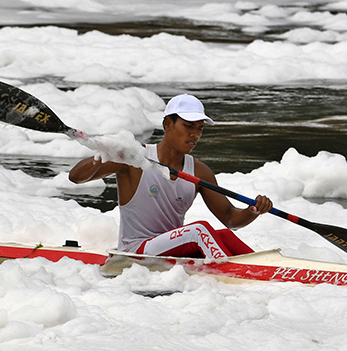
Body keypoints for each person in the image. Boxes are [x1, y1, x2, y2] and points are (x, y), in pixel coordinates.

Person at [68, 93, 273, 259]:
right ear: (167, 124)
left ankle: (267, 267)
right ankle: (234, 272)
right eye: (188, 126)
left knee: (225, 235)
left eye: (199, 129)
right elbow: (76, 177)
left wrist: (253, 210)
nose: (195, 134)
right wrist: (105, 151)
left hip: (172, 253)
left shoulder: (200, 171)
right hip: (135, 252)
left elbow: (230, 219)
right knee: (199, 230)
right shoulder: (134, 156)